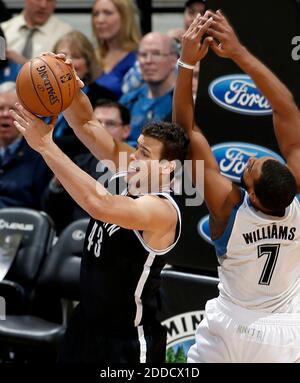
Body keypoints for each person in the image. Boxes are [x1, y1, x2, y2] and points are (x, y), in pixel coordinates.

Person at [11, 52, 190, 363]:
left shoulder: (161, 211)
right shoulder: (127, 172)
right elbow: (86, 122)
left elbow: (98, 204)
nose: (134, 158)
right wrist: (68, 88)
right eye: (136, 149)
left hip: (126, 342)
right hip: (85, 326)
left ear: (168, 168)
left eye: (145, 154)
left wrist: (45, 147)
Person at [173, 12, 300, 363]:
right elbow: (286, 109)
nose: (249, 162)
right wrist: (240, 52)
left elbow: (187, 132)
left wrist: (185, 63)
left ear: (253, 196)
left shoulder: (229, 207)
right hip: (284, 332)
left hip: (229, 325)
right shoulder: (294, 200)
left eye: (250, 168)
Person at [43, 99, 131, 234]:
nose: (102, 128)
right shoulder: (79, 162)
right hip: (77, 236)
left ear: (126, 130)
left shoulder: (136, 166)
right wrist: (57, 186)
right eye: (97, 122)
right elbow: (52, 210)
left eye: (110, 124)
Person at [51, 30, 116, 158]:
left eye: (76, 56)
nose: (68, 61)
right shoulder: (41, 94)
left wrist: (46, 142)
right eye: (62, 55)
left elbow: (91, 139)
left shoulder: (103, 96)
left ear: (88, 63)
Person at [120, 32, 178, 147]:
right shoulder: (127, 101)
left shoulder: (184, 102)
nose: (148, 61)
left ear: (174, 60)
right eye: (143, 55)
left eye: (156, 54)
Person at [0, 81, 51, 209]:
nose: (5, 114)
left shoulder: (40, 155)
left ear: (26, 115)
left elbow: (45, 205)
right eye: (0, 108)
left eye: (13, 110)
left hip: (20, 225)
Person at [92, 0, 141, 99]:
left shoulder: (141, 58)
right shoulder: (92, 57)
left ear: (125, 17)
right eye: (96, 14)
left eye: (108, 13)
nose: (100, 20)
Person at [1, 0, 72, 64]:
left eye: (49, 0)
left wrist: (24, 63)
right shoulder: (4, 30)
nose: (43, 5)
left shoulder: (67, 35)